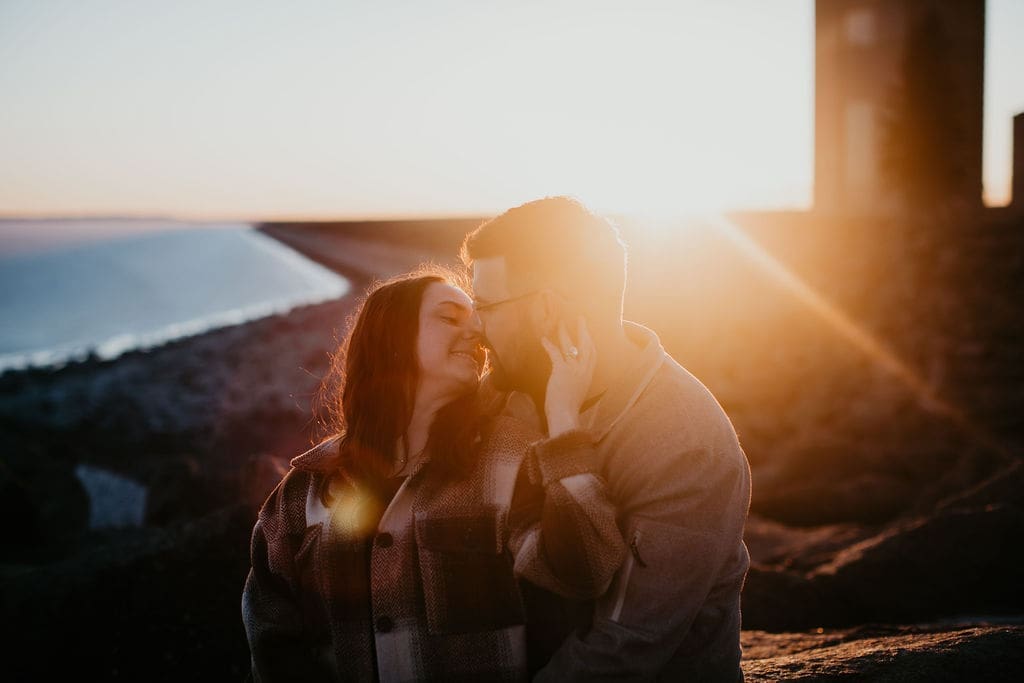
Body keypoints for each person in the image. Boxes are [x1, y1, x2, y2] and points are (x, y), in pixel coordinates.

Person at [241, 266, 626, 682]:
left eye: (476, 320)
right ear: (392, 338)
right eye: (449, 317)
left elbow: (585, 571)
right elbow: (271, 640)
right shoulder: (303, 492)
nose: (476, 333)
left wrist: (564, 418)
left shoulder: (509, 459)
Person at [462, 196, 752, 681]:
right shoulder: (505, 394)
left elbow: (624, 647)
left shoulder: (684, 439)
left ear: (548, 310)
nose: (475, 328)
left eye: (486, 307)